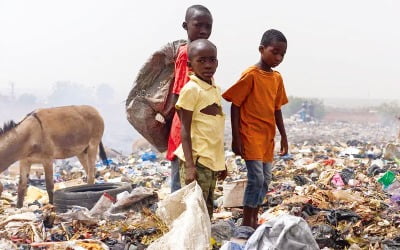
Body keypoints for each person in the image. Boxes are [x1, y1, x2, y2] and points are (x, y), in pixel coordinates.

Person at [222, 29, 289, 228]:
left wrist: (283, 136)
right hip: (250, 134)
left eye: (282, 55)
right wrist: (236, 138)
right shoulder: (251, 75)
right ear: (261, 49)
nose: (278, 58)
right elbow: (235, 104)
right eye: (274, 52)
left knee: (266, 179)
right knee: (256, 178)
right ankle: (246, 221)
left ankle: (254, 215)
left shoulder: (277, 78)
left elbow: (277, 109)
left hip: (267, 136)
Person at [174, 39, 226, 219]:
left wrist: (222, 162)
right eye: (201, 60)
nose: (208, 65)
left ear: (217, 62)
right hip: (197, 161)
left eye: (212, 60)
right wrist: (189, 166)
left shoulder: (215, 89)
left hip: (211, 161)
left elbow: (214, 129)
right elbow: (185, 130)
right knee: (195, 210)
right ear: (190, 65)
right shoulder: (191, 89)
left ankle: (204, 243)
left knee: (207, 207)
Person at [166, 5, 213, 193]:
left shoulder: (203, 53)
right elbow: (181, 94)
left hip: (196, 130)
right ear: (186, 25)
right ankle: (177, 222)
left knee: (193, 184)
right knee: (182, 184)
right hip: (186, 128)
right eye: (198, 25)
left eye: (208, 26)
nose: (204, 31)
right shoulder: (188, 54)